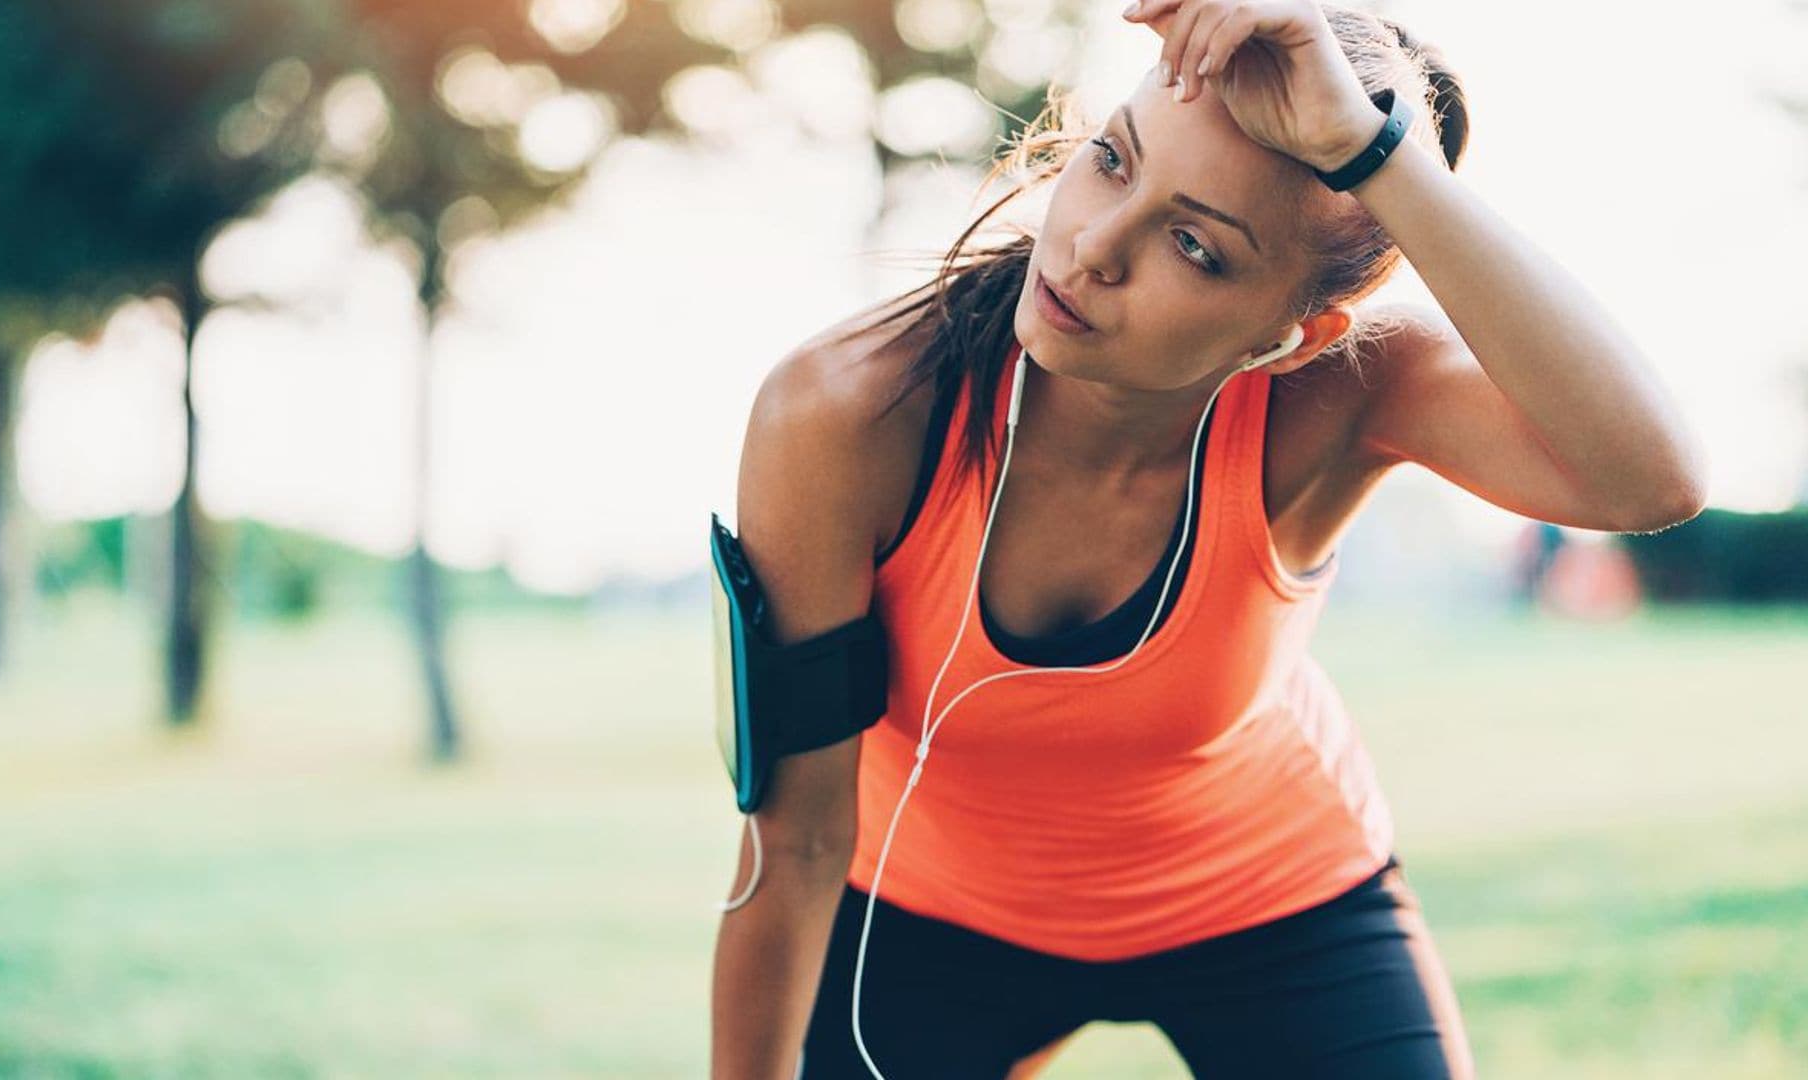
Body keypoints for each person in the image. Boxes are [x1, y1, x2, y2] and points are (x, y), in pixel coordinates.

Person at [709, 1, 1709, 1076]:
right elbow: (798, 839)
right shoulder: (849, 411)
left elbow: (1649, 479)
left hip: (1269, 901)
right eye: (1110, 159)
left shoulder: (1347, 390)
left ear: (1293, 335)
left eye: (1195, 245)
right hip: (929, 909)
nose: (1093, 246)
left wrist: (1374, 155)